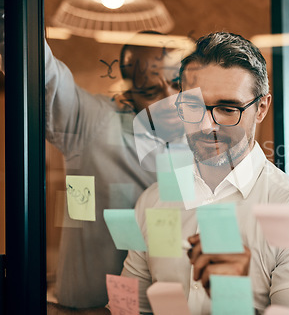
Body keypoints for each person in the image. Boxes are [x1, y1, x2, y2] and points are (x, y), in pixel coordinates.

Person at [121, 32, 289, 314]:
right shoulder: (152, 202)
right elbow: (126, 309)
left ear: (261, 108)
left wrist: (234, 299)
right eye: (193, 106)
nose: (207, 125)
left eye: (227, 108)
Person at [45, 32, 186, 309]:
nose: (169, 99)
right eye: (150, 91)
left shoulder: (200, 141)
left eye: (176, 84)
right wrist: (8, 18)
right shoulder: (94, 122)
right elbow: (46, 76)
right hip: (88, 309)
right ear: (128, 94)